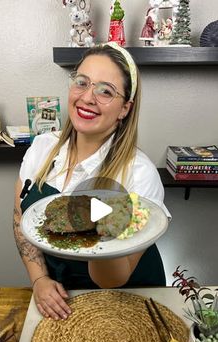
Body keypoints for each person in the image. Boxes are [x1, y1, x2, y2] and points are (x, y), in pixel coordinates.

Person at [13, 42, 170, 321]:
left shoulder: (140, 175)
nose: (87, 98)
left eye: (105, 91)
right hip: (60, 299)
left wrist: (102, 214)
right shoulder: (41, 148)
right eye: (82, 82)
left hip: (127, 302)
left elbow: (112, 280)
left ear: (125, 108)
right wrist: (39, 280)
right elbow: (20, 216)